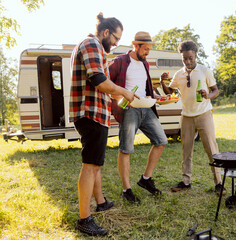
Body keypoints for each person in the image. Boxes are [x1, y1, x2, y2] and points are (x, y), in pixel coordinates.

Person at [69, 13, 138, 236]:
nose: (117, 43)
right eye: (116, 38)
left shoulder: (94, 46)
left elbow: (100, 81)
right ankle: (84, 219)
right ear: (106, 32)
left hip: (96, 112)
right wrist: (124, 91)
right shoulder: (91, 43)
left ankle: (100, 203)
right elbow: (98, 80)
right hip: (89, 112)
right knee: (90, 165)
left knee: (95, 163)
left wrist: (117, 96)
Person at [160, 40, 226, 196]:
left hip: (204, 114)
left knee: (211, 149)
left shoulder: (205, 71)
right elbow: (169, 92)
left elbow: (215, 90)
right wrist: (162, 81)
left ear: (195, 55)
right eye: (185, 59)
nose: (188, 61)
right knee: (186, 151)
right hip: (186, 116)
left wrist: (208, 95)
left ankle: (218, 183)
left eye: (190, 58)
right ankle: (186, 181)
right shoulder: (179, 74)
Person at [109, 31, 168, 203]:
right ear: (136, 46)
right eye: (146, 49)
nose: (148, 52)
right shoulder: (120, 61)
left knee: (161, 141)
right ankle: (126, 189)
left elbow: (145, 87)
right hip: (129, 109)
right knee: (126, 149)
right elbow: (106, 83)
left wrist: (156, 97)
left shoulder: (145, 64)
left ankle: (146, 179)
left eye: (150, 48)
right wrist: (118, 98)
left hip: (146, 107)